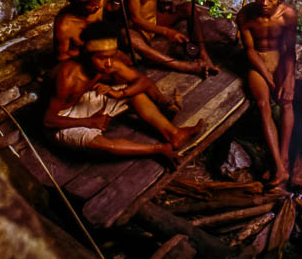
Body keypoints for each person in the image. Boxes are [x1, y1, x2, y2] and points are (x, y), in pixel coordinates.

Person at [44, 21, 202, 160]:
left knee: (135, 92)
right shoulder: (69, 77)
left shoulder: (108, 62)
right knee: (101, 144)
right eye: (102, 58)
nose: (109, 63)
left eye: (112, 56)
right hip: (59, 122)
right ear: (87, 54)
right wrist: (89, 122)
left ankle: (173, 134)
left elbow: (142, 81)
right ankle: (157, 149)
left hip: (80, 105)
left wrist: (120, 94)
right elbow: (48, 120)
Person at [55, 0, 183, 73]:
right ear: (77, 3)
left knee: (132, 64)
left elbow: (110, 6)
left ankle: (178, 65)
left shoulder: (98, 2)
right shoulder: (65, 25)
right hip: (89, 62)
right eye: (91, 4)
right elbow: (61, 58)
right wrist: (89, 53)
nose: (98, 6)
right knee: (128, 72)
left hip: (108, 48)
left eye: (99, 0)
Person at [237, 0, 297, 188]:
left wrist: (288, 78)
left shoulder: (288, 15)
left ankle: (284, 158)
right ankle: (279, 169)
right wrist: (269, 79)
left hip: (281, 60)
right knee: (263, 104)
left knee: (287, 102)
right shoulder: (245, 16)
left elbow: (289, 51)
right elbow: (250, 51)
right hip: (258, 63)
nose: (264, 3)